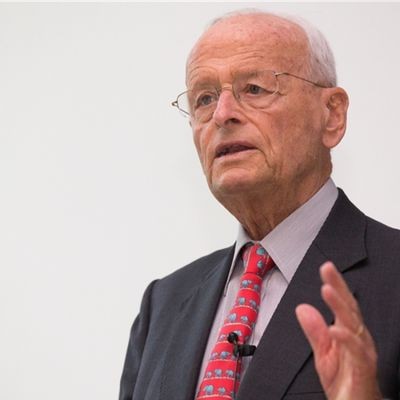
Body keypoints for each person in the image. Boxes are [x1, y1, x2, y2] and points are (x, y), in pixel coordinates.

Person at [119, 10, 400, 400]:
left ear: (332, 115)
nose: (222, 115)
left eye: (254, 89)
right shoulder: (163, 304)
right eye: (204, 98)